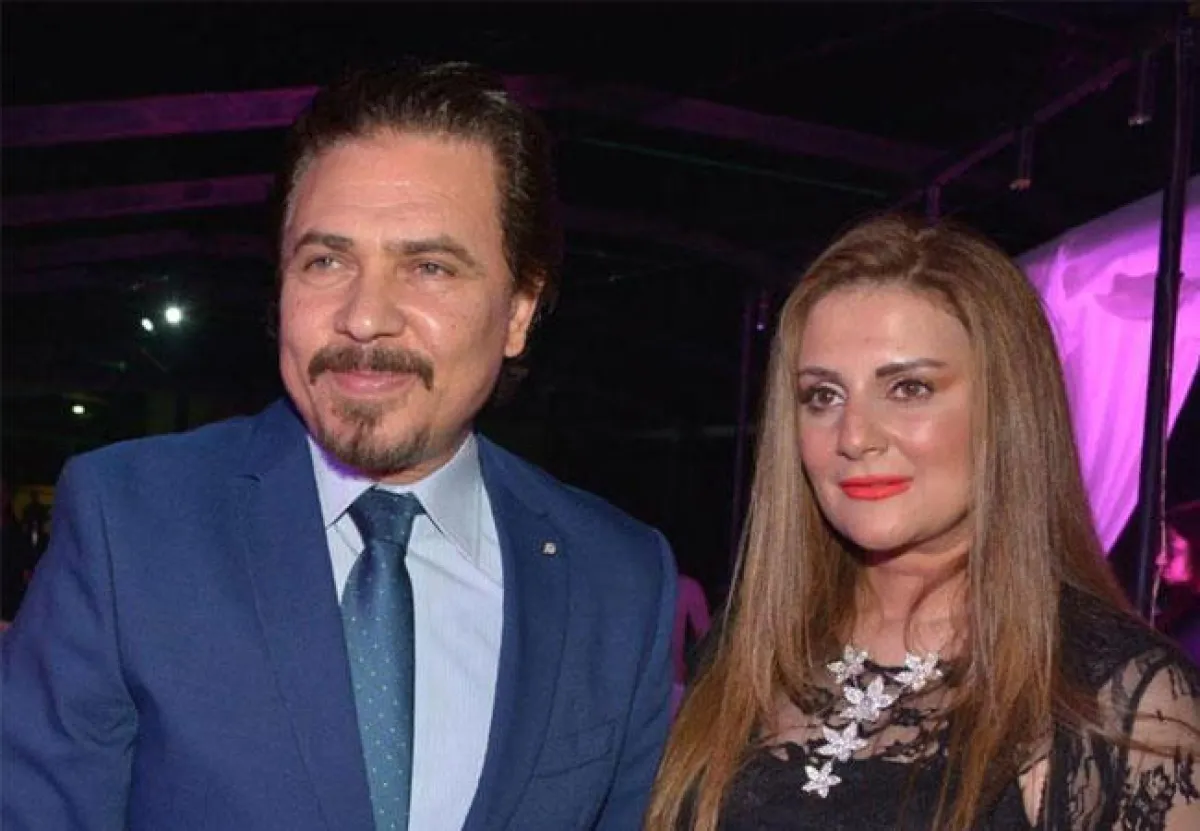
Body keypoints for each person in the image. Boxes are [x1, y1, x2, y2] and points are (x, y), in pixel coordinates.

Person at [2, 61, 677, 831]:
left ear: (519, 309)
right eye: (327, 261)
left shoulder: (618, 580)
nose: (363, 316)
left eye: (428, 266)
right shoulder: (130, 525)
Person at [646, 215, 1200, 830]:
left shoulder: (1120, 702)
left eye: (909, 388)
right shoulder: (751, 648)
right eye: (823, 396)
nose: (854, 436)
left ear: (1007, 409)